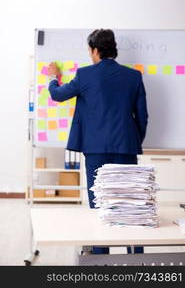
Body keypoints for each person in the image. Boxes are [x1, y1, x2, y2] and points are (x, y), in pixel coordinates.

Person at [48, 29, 148, 255]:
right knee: (131, 203)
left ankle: (102, 258)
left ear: (94, 50)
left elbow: (57, 95)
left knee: (99, 205)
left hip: (95, 150)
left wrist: (54, 78)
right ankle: (137, 259)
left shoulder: (85, 75)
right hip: (126, 148)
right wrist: (132, 141)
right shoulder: (133, 76)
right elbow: (142, 116)